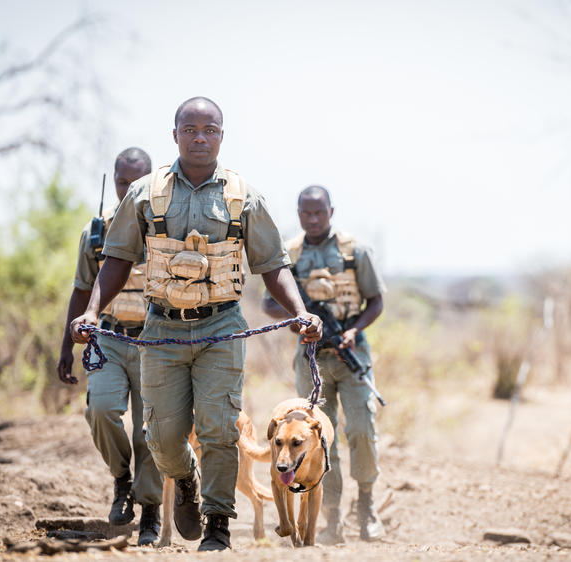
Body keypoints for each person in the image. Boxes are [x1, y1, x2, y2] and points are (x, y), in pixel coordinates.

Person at [70, 97, 322, 552]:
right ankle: (185, 478)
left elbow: (273, 264)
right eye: (190, 129)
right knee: (162, 437)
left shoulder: (244, 196)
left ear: (222, 136)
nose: (200, 137)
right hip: (161, 330)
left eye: (210, 129)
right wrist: (90, 312)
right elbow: (117, 259)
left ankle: (218, 525)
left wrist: (300, 311)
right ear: (175, 135)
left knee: (219, 427)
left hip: (221, 328)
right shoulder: (145, 193)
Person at [262, 185, 387, 544]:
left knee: (362, 430)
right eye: (306, 213)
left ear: (331, 211)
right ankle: (330, 518)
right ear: (299, 213)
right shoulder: (290, 253)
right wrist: (299, 318)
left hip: (352, 356)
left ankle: (367, 508)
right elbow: (269, 303)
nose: (313, 219)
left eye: (319, 212)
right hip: (311, 357)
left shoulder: (355, 251)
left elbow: (376, 302)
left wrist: (353, 330)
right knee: (316, 442)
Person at [56, 148, 164, 545]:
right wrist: (66, 346)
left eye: (138, 182)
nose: (129, 189)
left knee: (151, 430)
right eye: (123, 181)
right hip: (110, 337)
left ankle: (151, 508)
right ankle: (122, 480)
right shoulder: (97, 231)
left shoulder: (164, 226)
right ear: (115, 180)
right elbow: (81, 290)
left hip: (157, 339)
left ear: (152, 183)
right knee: (101, 410)